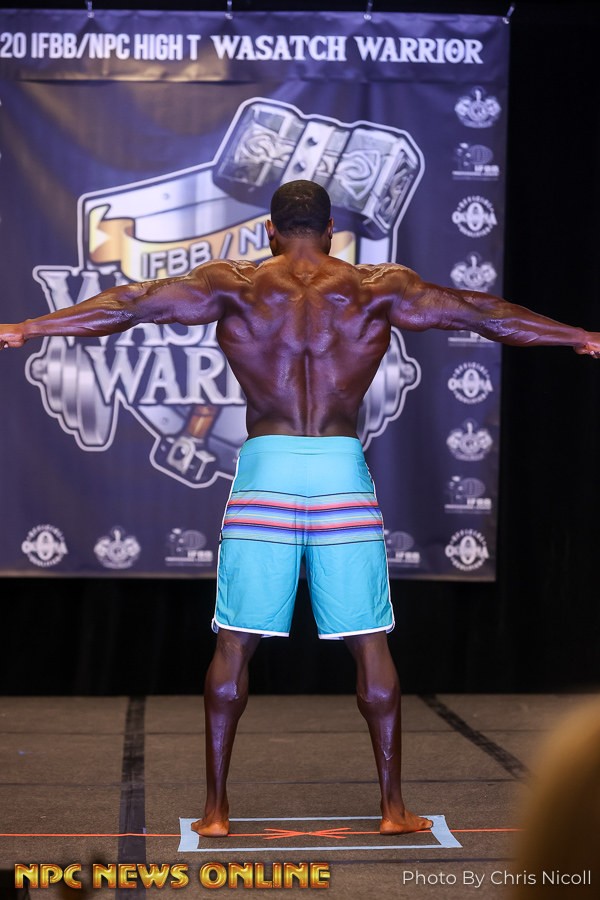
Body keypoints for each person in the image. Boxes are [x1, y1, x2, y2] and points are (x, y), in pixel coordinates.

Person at [1, 180, 599, 839]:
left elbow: (130, 303)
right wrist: (578, 336)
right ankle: (393, 809)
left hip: (267, 470)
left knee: (235, 643)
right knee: (370, 642)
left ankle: (216, 812)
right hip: (340, 471)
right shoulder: (378, 287)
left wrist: (30, 328)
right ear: (333, 229)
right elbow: (482, 313)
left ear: (269, 230)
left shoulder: (232, 284)